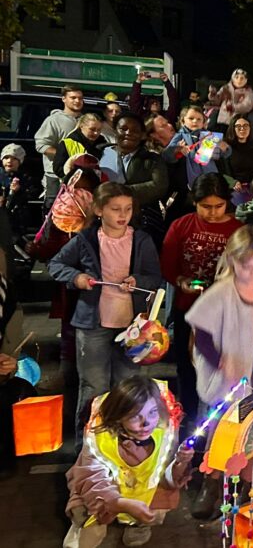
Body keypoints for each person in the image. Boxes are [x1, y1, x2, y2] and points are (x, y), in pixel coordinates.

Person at [186, 226, 253, 519]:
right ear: (233, 260)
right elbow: (202, 334)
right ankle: (212, 482)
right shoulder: (220, 293)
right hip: (230, 377)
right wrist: (220, 361)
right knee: (223, 429)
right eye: (247, 264)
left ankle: (247, 484)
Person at [48, 183, 163, 434]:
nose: (123, 215)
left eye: (128, 209)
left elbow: (155, 276)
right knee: (93, 387)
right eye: (115, 209)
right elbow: (55, 265)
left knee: (126, 387)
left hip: (132, 328)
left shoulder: (141, 240)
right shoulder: (85, 239)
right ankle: (87, 447)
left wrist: (138, 281)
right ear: (99, 210)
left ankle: (124, 442)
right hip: (93, 325)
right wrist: (76, 277)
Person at [63, 376, 192, 548]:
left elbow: (167, 478)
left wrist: (179, 463)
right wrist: (121, 504)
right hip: (108, 491)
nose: (146, 424)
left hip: (142, 491)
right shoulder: (101, 438)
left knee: (159, 505)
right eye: (135, 416)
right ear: (118, 417)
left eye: (152, 412)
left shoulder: (163, 429)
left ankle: (138, 523)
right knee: (84, 516)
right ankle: (84, 523)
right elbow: (91, 480)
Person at [160, 173, 244, 426]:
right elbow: (167, 264)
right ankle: (186, 418)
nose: (212, 213)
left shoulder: (237, 230)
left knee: (219, 367)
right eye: (205, 207)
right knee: (186, 366)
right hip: (188, 308)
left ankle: (216, 424)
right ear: (194, 202)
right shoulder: (182, 226)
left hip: (224, 315)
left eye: (218, 206)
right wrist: (181, 281)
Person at [97, 114, 168, 237]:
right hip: (103, 220)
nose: (128, 132)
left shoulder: (153, 160)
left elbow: (159, 186)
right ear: (115, 130)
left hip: (140, 221)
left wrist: (121, 193)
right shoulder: (99, 153)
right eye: (123, 129)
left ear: (142, 135)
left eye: (134, 131)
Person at [35, 85, 83, 207]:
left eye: (80, 98)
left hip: (79, 176)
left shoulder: (85, 121)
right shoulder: (53, 120)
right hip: (55, 176)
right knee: (54, 213)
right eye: (73, 98)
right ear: (64, 99)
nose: (77, 101)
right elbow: (41, 145)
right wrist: (65, 156)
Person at [163, 106, 232, 189]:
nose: (195, 121)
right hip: (190, 180)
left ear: (203, 122)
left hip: (211, 177)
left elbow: (222, 154)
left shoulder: (208, 135)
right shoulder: (180, 136)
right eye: (191, 118)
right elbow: (166, 155)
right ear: (183, 121)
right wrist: (177, 149)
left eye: (199, 119)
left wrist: (225, 148)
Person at [220, 114, 253, 205]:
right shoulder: (227, 148)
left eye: (246, 126)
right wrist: (233, 182)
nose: (242, 129)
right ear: (233, 129)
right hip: (238, 188)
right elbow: (222, 172)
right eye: (238, 126)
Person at [1, 143, 41, 236]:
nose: (9, 161)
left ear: (20, 161)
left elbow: (32, 193)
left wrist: (19, 190)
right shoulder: (1, 176)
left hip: (17, 220)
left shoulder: (25, 177)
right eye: (6, 158)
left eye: (14, 158)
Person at [52, 114, 108, 180]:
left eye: (99, 130)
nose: (96, 133)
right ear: (81, 126)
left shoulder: (104, 145)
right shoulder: (67, 143)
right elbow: (58, 169)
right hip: (75, 186)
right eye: (92, 129)